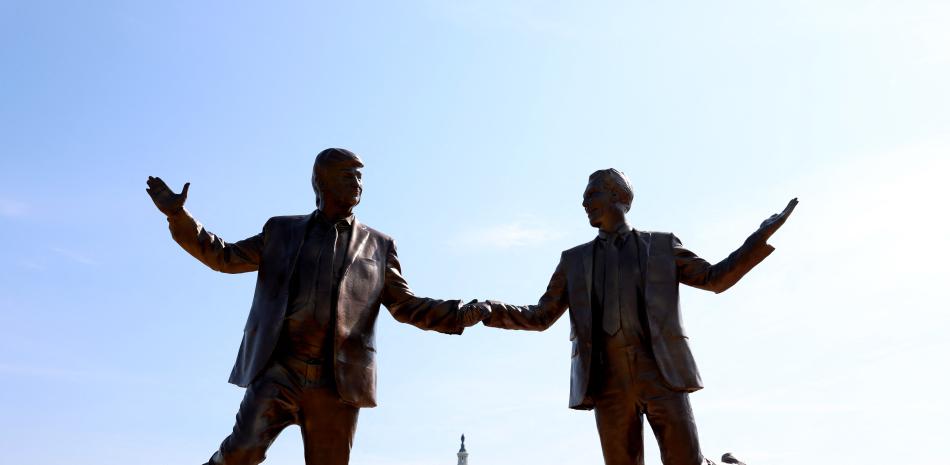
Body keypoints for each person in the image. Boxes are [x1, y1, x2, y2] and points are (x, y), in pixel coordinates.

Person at [146, 148, 488, 465]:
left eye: (360, 177)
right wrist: (178, 215)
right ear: (321, 181)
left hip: (336, 382)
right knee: (241, 451)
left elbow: (407, 306)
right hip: (280, 369)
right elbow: (223, 256)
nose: (357, 183)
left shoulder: (380, 246)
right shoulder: (281, 231)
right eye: (348, 175)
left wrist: (460, 313)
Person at [481, 168, 796, 465]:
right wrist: (488, 310)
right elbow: (539, 316)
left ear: (617, 196)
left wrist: (757, 239)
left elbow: (715, 278)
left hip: (662, 375)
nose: (583, 203)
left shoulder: (660, 247)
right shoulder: (573, 262)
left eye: (592, 194)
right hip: (608, 385)